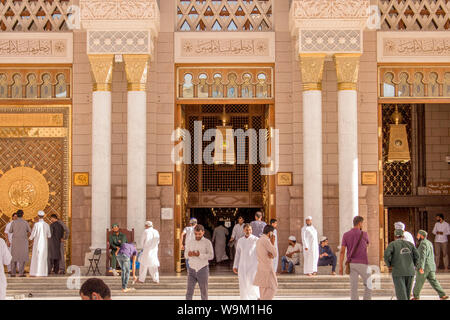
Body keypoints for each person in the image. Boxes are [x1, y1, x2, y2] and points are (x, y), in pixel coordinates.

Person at [339, 216, 371, 300]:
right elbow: (367, 245)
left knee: (353, 287)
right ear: (360, 223)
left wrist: (340, 267)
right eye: (362, 223)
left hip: (352, 263)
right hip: (363, 263)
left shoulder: (346, 235)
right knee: (368, 284)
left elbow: (342, 251)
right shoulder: (364, 234)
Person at [412, 230, 448, 300]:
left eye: (418, 235)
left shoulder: (423, 243)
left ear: (422, 236)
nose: (417, 236)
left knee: (419, 281)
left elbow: (423, 256)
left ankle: (416, 296)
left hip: (425, 266)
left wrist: (421, 267)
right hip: (431, 266)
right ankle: (442, 295)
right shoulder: (429, 243)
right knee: (434, 281)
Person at [384, 229, 419, 300]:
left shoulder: (392, 244)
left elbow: (386, 255)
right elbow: (417, 256)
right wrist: (414, 264)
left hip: (398, 271)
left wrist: (389, 264)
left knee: (401, 294)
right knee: (407, 293)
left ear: (395, 236)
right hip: (410, 272)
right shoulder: (410, 244)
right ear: (403, 236)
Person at [185, 224, 214, 300]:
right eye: (196, 234)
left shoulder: (207, 242)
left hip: (203, 269)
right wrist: (189, 254)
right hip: (191, 269)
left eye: (199, 234)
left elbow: (211, 256)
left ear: (203, 232)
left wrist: (199, 255)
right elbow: (185, 255)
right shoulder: (190, 242)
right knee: (189, 292)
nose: (197, 236)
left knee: (204, 292)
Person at [233, 224, 259, 300]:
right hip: (242, 265)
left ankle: (255, 297)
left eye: (250, 230)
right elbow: (237, 254)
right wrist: (235, 265)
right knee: (243, 283)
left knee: (252, 283)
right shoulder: (240, 240)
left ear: (252, 230)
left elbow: (260, 252)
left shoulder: (256, 239)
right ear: (244, 230)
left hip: (253, 265)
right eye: (247, 230)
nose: (248, 231)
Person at [253, 225, 278, 300]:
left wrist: (271, 254)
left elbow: (271, 254)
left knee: (263, 287)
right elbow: (275, 253)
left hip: (261, 266)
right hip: (267, 267)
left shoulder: (259, 240)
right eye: (272, 233)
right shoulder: (266, 240)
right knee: (273, 286)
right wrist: (273, 242)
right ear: (270, 233)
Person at [9, 210, 31, 277]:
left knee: (14, 257)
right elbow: (29, 231)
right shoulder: (25, 222)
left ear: (17, 215)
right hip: (23, 241)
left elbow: (10, 231)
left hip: (15, 241)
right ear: (22, 215)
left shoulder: (13, 222)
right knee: (22, 257)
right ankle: (21, 273)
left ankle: (13, 273)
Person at [29, 211, 51, 277]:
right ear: (44, 216)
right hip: (44, 244)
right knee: (43, 258)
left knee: (36, 257)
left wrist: (29, 239)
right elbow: (49, 235)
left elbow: (32, 235)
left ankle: (35, 272)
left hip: (37, 244)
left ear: (38, 216)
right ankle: (43, 273)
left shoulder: (36, 224)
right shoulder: (47, 225)